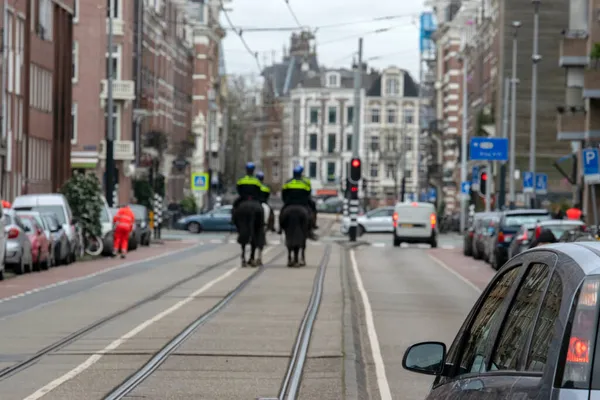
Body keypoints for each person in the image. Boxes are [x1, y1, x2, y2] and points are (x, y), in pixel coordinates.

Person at [280, 165, 317, 240]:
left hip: (290, 203)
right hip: (302, 204)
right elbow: (308, 194)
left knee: (281, 214)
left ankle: (280, 228)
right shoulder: (305, 183)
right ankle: (311, 228)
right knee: (310, 213)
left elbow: (283, 194)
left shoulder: (288, 182)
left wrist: (286, 202)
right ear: (301, 173)